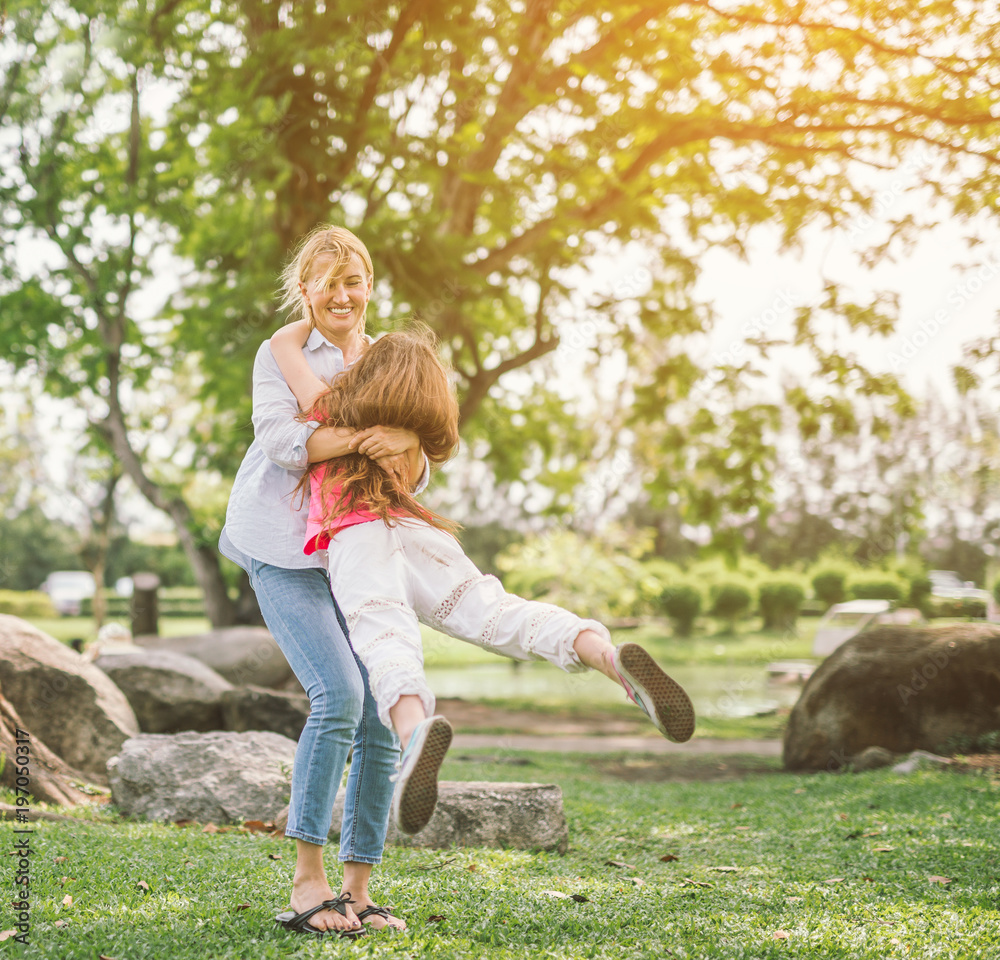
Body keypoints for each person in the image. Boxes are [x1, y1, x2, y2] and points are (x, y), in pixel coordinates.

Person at [268, 322, 697, 836]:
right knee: (494, 611)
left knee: (382, 632)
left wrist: (315, 308)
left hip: (358, 537)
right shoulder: (412, 443)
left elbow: (283, 350)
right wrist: (411, 429)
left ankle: (413, 734)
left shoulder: (337, 409)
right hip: (415, 528)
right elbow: (440, 436)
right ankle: (603, 654)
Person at [220, 225, 422, 938]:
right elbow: (282, 444)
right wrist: (368, 436)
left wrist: (394, 446)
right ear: (306, 290)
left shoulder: (389, 357)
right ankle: (308, 884)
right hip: (281, 547)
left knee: (378, 714)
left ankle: (358, 889)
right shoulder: (280, 353)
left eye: (354, 279)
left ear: (369, 287)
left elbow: (415, 454)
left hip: (354, 552)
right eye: (327, 281)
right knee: (338, 694)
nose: (342, 294)